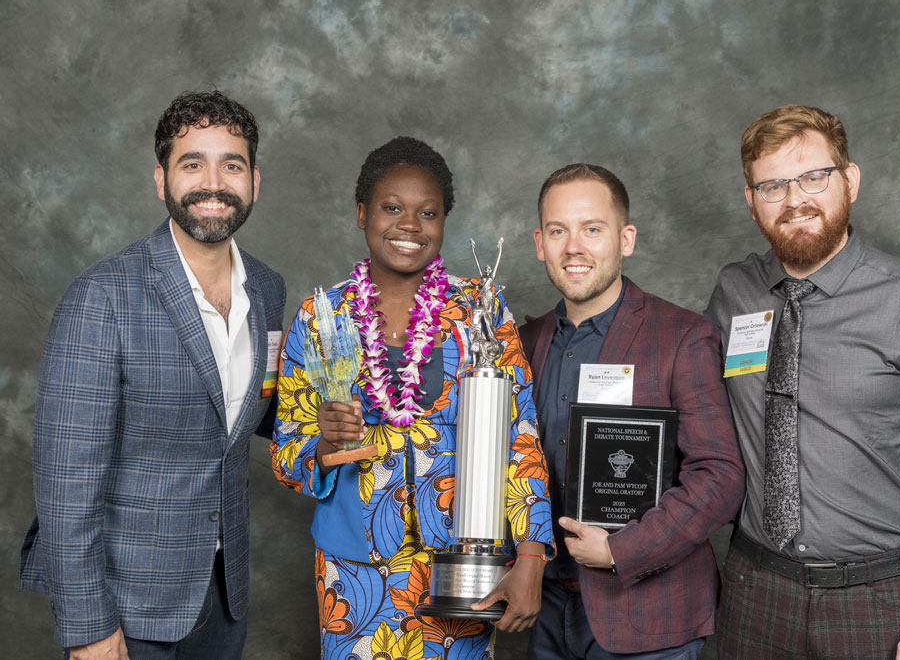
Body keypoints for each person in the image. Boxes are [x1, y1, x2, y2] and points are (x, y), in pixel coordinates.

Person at [705, 104, 900, 660]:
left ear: (851, 181)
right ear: (750, 200)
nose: (795, 200)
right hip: (753, 593)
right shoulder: (734, 293)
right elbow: (693, 415)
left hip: (878, 600)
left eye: (814, 176)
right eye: (772, 186)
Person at [19, 90, 286, 659]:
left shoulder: (266, 288)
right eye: (193, 164)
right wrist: (89, 626)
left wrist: (321, 418)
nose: (213, 183)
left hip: (223, 596)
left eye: (231, 165)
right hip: (126, 606)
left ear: (254, 182)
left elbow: (242, 414)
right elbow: (65, 485)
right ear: (161, 181)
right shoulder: (101, 298)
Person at [270, 136, 554, 660]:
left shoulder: (481, 311)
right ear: (362, 213)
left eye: (428, 212)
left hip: (461, 568)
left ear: (444, 222)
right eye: (392, 208)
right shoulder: (321, 317)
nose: (409, 225)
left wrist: (532, 558)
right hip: (354, 575)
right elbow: (288, 455)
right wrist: (325, 448)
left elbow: (521, 438)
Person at [520, 163, 745, 659]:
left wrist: (622, 550)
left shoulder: (682, 337)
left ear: (626, 239)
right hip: (545, 610)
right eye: (558, 231)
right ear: (540, 243)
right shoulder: (523, 343)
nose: (573, 247)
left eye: (592, 229)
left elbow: (721, 476)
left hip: (648, 616)